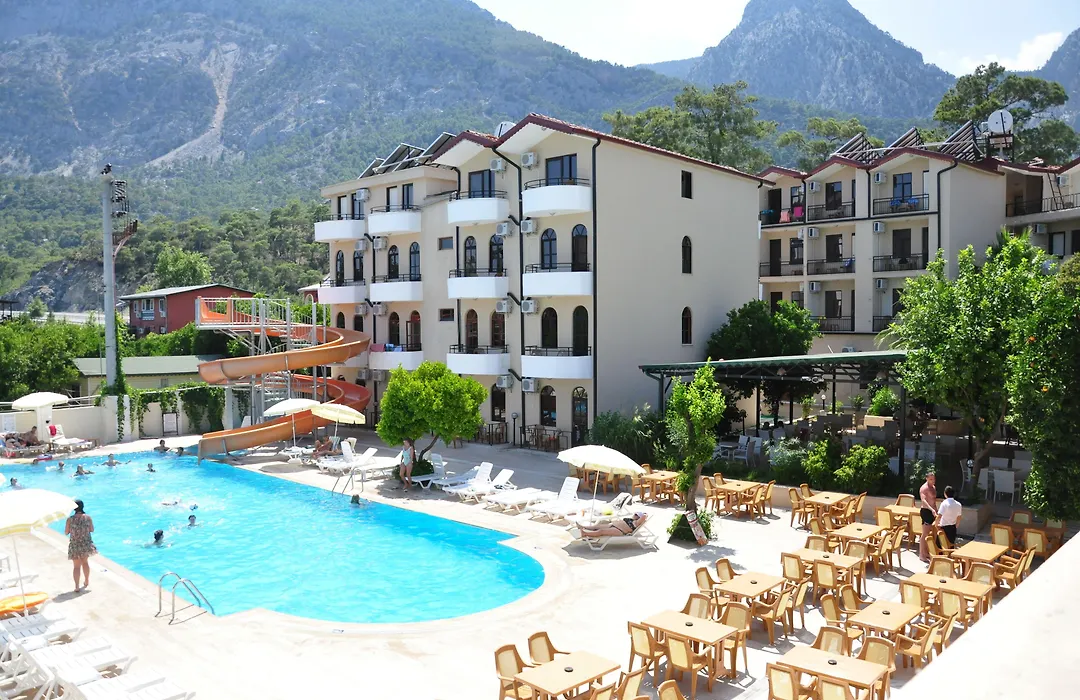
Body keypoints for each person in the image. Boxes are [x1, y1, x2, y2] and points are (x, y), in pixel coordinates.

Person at [64, 499, 97, 592]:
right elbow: (92, 529)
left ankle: (77, 586)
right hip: (85, 544)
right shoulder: (88, 518)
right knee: (85, 563)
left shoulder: (70, 519)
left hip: (75, 544)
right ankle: (86, 581)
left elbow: (66, 532)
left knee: (76, 566)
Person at [579, 512, 649, 538]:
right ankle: (583, 527)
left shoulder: (636, 523)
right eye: (635, 514)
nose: (634, 515)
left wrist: (645, 514)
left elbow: (644, 516)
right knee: (597, 526)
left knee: (601, 531)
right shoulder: (631, 519)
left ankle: (585, 534)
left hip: (619, 530)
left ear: (638, 517)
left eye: (636, 515)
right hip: (613, 525)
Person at [919, 472, 938, 563]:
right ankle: (921, 555)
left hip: (932, 511)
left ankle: (926, 552)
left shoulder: (933, 487)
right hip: (926, 512)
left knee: (931, 533)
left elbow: (933, 501)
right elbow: (924, 501)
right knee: (925, 533)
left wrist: (936, 510)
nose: (933, 481)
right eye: (931, 479)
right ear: (926, 479)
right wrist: (931, 509)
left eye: (933, 479)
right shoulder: (924, 488)